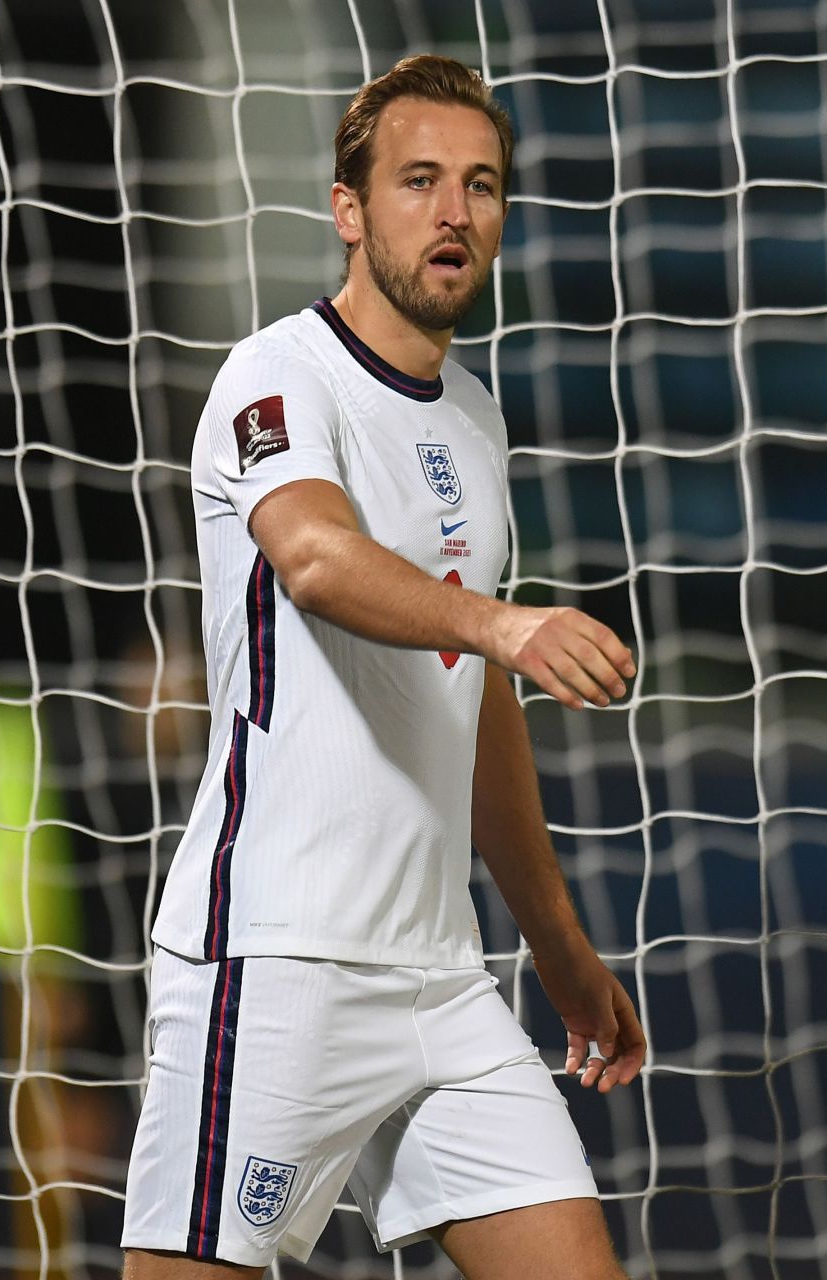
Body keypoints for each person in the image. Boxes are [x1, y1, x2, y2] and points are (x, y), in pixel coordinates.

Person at [120, 54, 645, 1279]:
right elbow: (314, 557)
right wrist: (500, 622)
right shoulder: (276, 376)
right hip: (278, 960)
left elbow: (476, 711)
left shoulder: (472, 414)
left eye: (481, 185)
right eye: (419, 181)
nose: (454, 211)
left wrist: (559, 949)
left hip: (442, 978)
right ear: (351, 209)